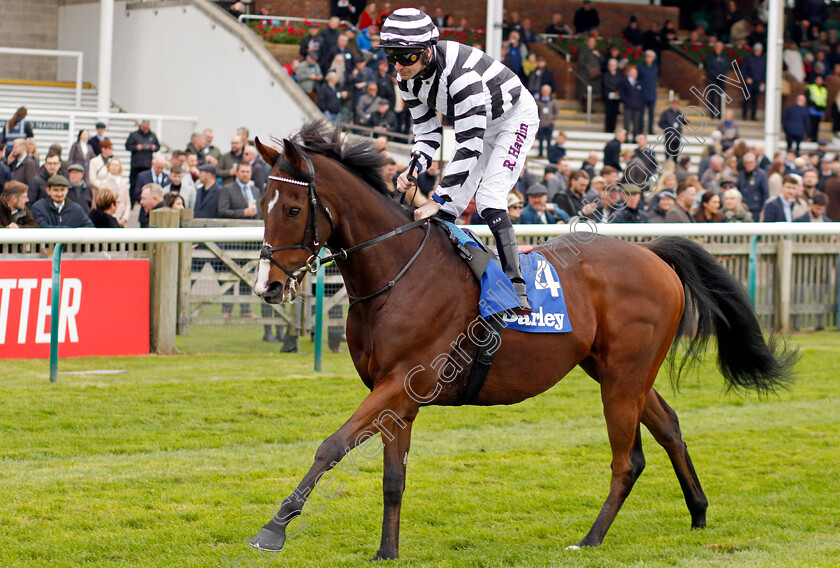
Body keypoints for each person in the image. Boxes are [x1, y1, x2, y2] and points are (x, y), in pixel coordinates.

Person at [384, 7, 538, 312]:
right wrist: (414, 167)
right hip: (477, 124)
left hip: (512, 118)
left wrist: (437, 198)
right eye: (392, 55)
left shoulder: (461, 76)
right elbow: (428, 134)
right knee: (448, 211)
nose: (399, 66)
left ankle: (515, 286)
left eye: (407, 57)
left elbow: (468, 145)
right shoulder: (407, 81)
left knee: (489, 198)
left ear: (427, 52)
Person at [125, 120, 159, 205]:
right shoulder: (134, 135)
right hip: (136, 164)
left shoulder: (152, 135)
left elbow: (158, 146)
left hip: (147, 164)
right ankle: (131, 202)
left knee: (147, 185)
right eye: (144, 127)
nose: (146, 129)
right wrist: (136, 147)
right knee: (133, 184)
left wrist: (154, 148)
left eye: (147, 127)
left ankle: (147, 201)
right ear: (141, 126)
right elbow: (127, 146)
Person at [99, 156, 131, 227]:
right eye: (112, 165)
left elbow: (127, 203)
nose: (114, 167)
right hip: (110, 219)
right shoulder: (104, 183)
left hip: (123, 221)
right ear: (109, 167)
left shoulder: (123, 183)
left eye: (116, 165)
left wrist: (124, 218)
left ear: (120, 167)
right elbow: (103, 203)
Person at [738, 152, 770, 220]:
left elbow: (765, 193)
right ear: (744, 164)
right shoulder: (741, 174)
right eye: (746, 162)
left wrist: (763, 209)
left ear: (755, 162)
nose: (749, 164)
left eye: (751, 162)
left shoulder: (761, 174)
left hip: (756, 208)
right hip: (743, 208)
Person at [741, 44, 766, 121]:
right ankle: (744, 115)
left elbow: (764, 72)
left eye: (759, 50)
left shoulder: (763, 60)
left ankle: (753, 115)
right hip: (749, 82)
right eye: (756, 50)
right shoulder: (749, 59)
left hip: (758, 82)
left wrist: (763, 81)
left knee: (756, 100)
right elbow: (743, 69)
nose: (757, 51)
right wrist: (747, 77)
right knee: (747, 99)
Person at [636, 50, 659, 135]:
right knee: (641, 113)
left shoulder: (655, 67)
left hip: (652, 93)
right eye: (647, 56)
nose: (648, 58)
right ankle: (640, 129)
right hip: (642, 93)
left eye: (650, 57)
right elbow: (637, 79)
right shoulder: (641, 67)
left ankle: (650, 129)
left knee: (651, 113)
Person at [705, 42, 729, 118]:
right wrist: (716, 75)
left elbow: (726, 68)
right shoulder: (711, 57)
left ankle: (720, 114)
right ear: (715, 47)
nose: (718, 48)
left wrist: (722, 75)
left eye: (720, 46)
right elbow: (709, 67)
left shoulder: (724, 57)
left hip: (722, 80)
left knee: (721, 97)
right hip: (713, 79)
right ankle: (712, 113)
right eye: (717, 46)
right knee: (712, 96)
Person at [536, 85, 560, 158]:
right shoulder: (538, 101)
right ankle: (540, 154)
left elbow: (556, 112)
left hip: (549, 123)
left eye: (547, 91)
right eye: (544, 91)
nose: (545, 93)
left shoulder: (553, 101)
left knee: (549, 140)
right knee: (540, 140)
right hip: (541, 124)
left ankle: (549, 154)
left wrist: (553, 119)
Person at [619, 66, 644, 139]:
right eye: (633, 72)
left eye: (636, 73)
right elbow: (622, 94)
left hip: (637, 106)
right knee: (626, 123)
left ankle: (635, 138)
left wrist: (639, 103)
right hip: (628, 106)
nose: (635, 74)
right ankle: (625, 138)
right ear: (629, 73)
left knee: (636, 123)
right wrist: (627, 102)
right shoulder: (624, 82)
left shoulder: (639, 83)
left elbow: (642, 94)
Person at [577, 36, 601, 110]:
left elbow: (601, 62)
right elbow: (581, 62)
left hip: (594, 76)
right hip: (585, 75)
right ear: (587, 42)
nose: (592, 43)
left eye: (594, 42)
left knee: (593, 93)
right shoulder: (584, 50)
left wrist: (599, 56)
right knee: (585, 92)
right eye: (591, 42)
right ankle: (584, 108)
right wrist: (589, 67)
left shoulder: (596, 51)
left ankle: (590, 108)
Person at [602, 59, 622, 135]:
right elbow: (606, 84)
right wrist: (614, 90)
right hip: (609, 95)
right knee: (608, 113)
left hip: (616, 96)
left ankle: (613, 128)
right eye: (611, 65)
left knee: (615, 113)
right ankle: (608, 129)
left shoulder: (619, 74)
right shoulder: (606, 74)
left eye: (614, 65)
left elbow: (620, 83)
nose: (612, 67)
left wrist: (618, 91)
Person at [806, 74, 828, 141]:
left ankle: (815, 138)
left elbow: (825, 99)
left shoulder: (824, 89)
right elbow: (808, 97)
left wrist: (823, 107)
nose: (819, 81)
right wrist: (812, 105)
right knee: (811, 124)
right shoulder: (811, 87)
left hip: (820, 109)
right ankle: (810, 137)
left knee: (817, 125)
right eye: (818, 80)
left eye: (821, 80)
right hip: (813, 109)